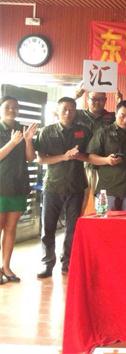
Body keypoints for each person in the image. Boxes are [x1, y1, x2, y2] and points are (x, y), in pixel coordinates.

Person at [35, 97, 92, 277]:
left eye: (72, 109)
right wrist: (64, 157)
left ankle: (67, 262)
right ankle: (47, 264)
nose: (68, 113)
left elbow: (90, 155)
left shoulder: (84, 131)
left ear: (76, 111)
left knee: (72, 228)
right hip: (53, 185)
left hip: (76, 185)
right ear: (58, 111)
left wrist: (79, 156)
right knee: (48, 228)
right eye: (65, 109)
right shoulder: (47, 131)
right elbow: (41, 159)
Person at [0, 97, 37, 283]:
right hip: (1, 185)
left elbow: (30, 158)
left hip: (18, 185)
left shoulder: (22, 129)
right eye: (8, 107)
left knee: (11, 227)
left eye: (15, 107)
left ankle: (6, 267)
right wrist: (13, 143)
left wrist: (28, 140)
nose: (12, 110)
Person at [87, 100, 126, 211]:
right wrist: (106, 160)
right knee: (105, 219)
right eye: (122, 116)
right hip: (108, 187)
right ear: (116, 114)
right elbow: (90, 157)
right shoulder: (103, 132)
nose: (125, 120)